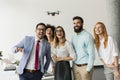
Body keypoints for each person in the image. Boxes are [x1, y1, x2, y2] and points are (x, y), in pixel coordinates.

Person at [72, 16, 95, 80]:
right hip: (76, 66)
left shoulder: (87, 36)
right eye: (74, 23)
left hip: (85, 67)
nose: (76, 25)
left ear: (82, 23)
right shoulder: (73, 36)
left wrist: (88, 69)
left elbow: (92, 53)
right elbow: (73, 52)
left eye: (78, 23)